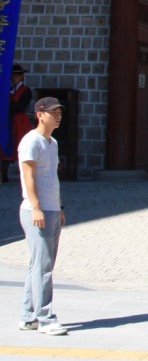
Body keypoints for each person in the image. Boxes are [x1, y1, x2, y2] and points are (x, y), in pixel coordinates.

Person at [17, 96, 68, 335]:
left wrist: (59, 206)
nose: (57, 116)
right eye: (52, 112)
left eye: (59, 112)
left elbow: (51, 178)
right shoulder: (31, 141)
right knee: (43, 268)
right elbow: (29, 177)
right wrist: (36, 207)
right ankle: (45, 318)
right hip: (36, 210)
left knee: (38, 266)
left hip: (52, 208)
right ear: (40, 115)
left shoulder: (52, 142)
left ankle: (28, 317)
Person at [2, 63, 33, 184]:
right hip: (8, 121)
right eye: (12, 76)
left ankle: (26, 175)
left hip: (19, 122)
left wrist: (7, 102)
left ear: (21, 77)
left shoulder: (26, 91)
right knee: (5, 145)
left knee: (21, 146)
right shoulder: (8, 90)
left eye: (16, 76)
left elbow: (20, 107)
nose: (13, 78)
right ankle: (4, 174)